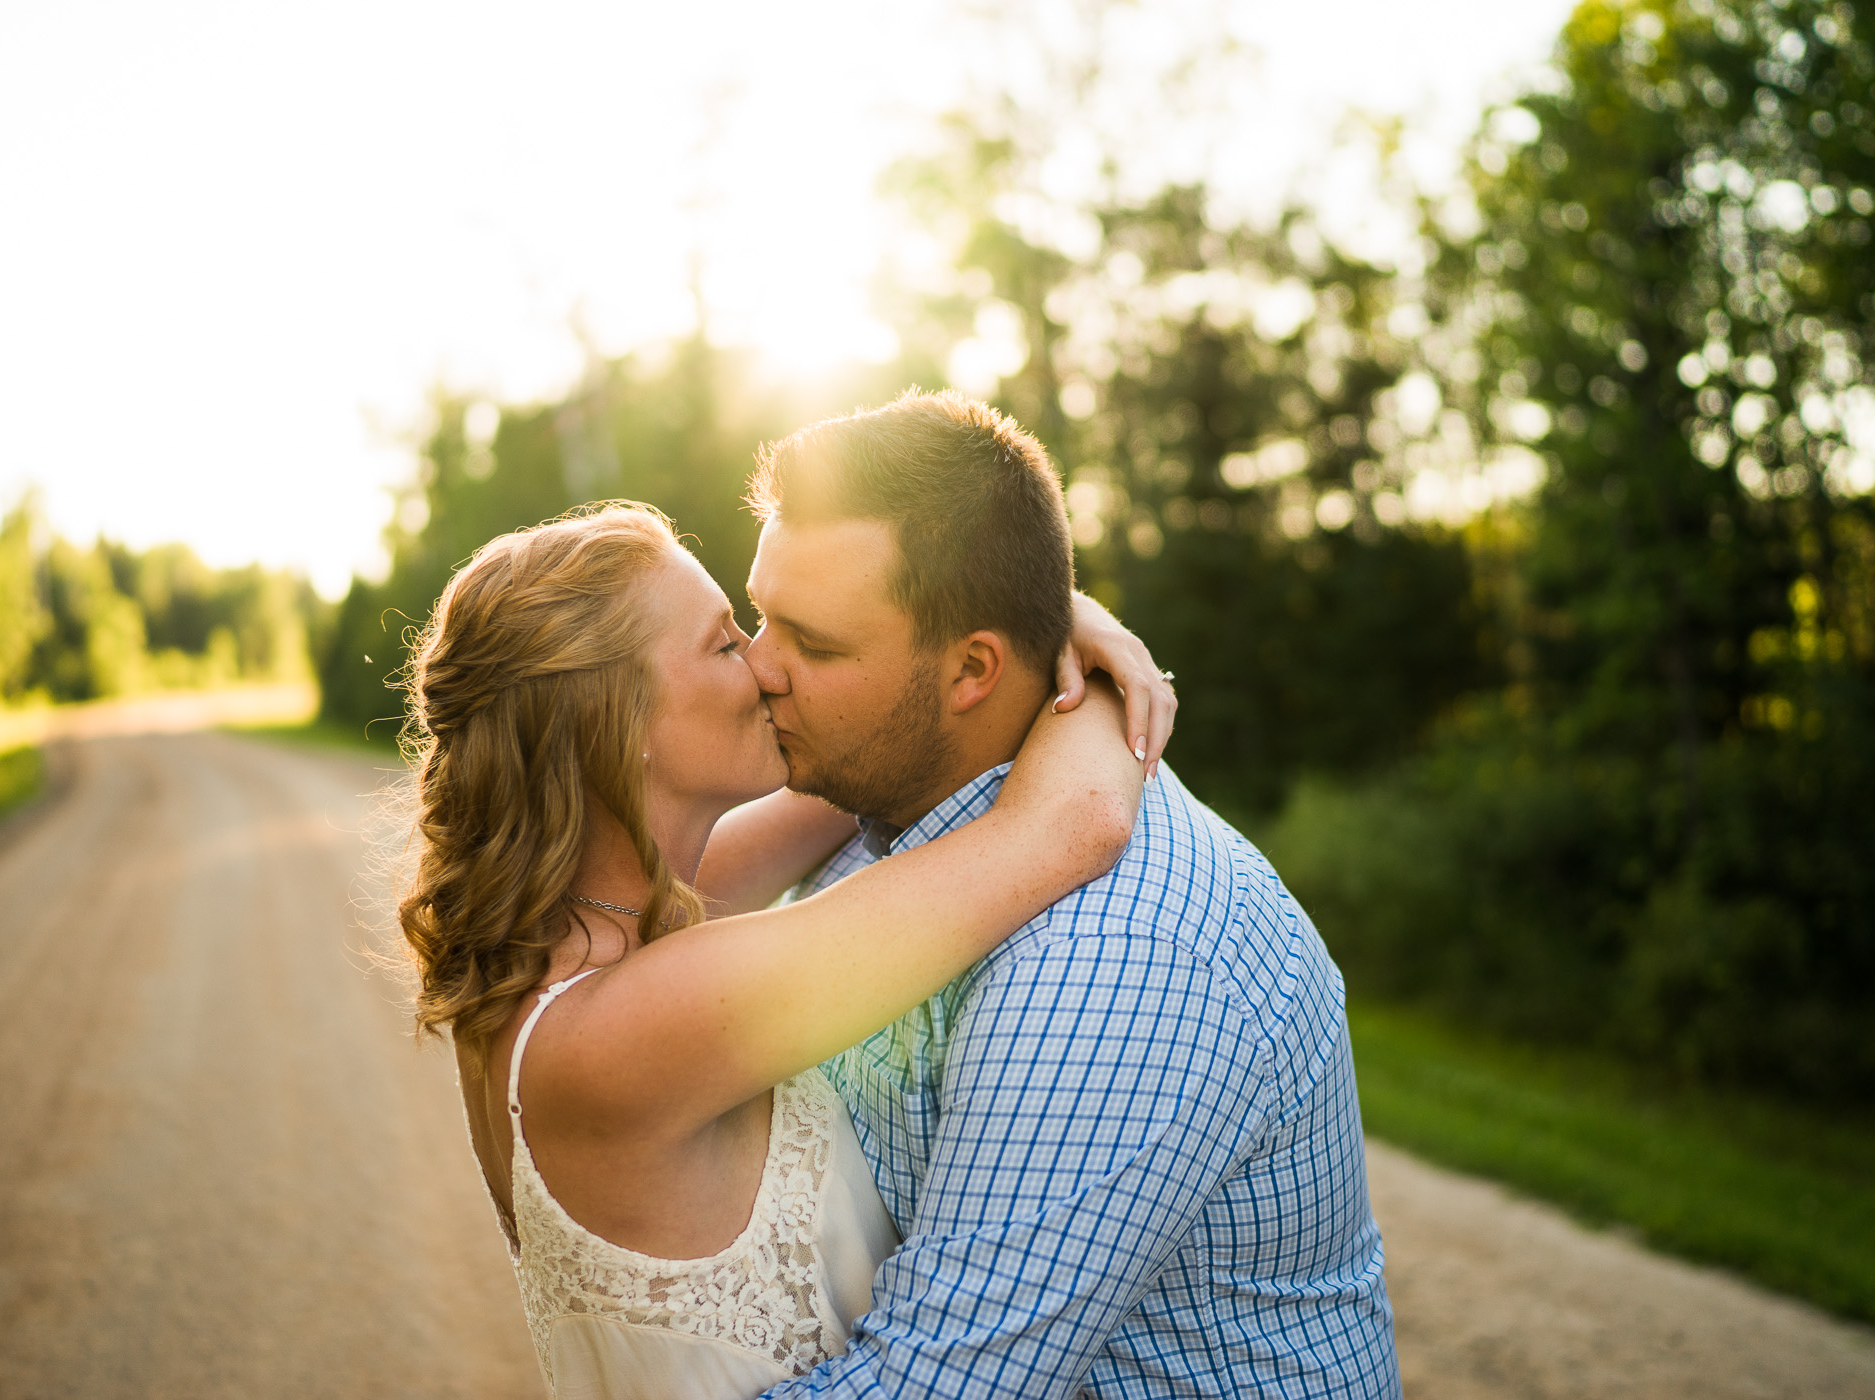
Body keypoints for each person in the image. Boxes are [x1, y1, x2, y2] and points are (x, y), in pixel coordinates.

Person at [397, 501, 1165, 1399]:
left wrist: (1038, 619)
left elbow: (890, 742)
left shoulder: (578, 936)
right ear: (618, 722)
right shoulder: (624, 1030)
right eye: (726, 645)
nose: (765, 665)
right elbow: (1076, 822)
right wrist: (1105, 683)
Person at [742, 390, 1401, 1398]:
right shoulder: (878, 809)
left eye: (814, 644)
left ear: (973, 668)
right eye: (758, 617)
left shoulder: (1115, 953)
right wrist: (1062, 613)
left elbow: (931, 1386)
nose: (756, 669)